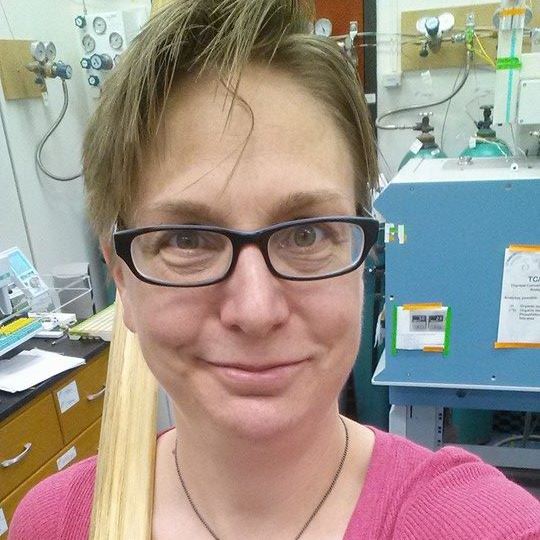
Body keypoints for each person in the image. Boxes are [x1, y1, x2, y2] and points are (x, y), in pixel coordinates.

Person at [9, 1, 540, 538]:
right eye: (188, 240)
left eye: (306, 235)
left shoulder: (482, 527)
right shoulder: (55, 523)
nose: (256, 311)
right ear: (121, 278)